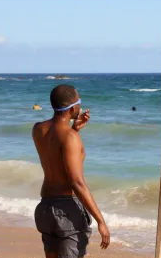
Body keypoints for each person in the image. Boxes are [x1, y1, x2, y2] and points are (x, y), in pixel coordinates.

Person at [32, 84, 110, 258]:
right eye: (78, 102)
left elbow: (56, 155)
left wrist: (74, 129)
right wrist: (100, 221)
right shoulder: (70, 137)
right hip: (66, 211)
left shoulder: (38, 129)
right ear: (73, 108)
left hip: (45, 208)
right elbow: (77, 182)